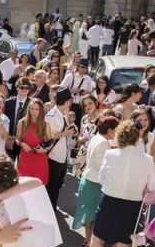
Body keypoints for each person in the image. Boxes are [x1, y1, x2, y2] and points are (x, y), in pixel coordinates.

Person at [80, 120, 155, 247]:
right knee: (124, 245)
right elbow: (152, 187)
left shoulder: (111, 154)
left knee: (97, 241)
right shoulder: (147, 160)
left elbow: (100, 179)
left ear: (120, 135)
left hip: (109, 202)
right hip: (131, 206)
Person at [72, 116, 119, 247]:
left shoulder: (95, 138)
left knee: (89, 215)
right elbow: (101, 165)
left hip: (88, 179)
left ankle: (88, 240)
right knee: (93, 216)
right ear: (110, 130)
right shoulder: (104, 143)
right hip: (95, 183)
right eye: (115, 130)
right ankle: (90, 243)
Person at [45, 87, 75, 216]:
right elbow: (48, 136)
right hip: (54, 156)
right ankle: (49, 211)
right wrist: (64, 133)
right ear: (67, 101)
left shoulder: (62, 113)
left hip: (62, 156)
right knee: (51, 186)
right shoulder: (52, 115)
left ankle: (53, 209)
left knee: (57, 185)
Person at [15, 98, 51, 184]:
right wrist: (22, 143)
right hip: (25, 160)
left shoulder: (45, 124)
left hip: (40, 161)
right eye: (32, 108)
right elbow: (17, 139)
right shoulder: (22, 122)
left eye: (37, 109)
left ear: (41, 110)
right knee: (23, 189)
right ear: (29, 109)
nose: (34, 112)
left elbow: (50, 143)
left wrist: (44, 150)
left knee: (38, 190)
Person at [72, 94, 100, 178]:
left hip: (95, 154)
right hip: (83, 153)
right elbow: (80, 136)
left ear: (95, 103)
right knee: (80, 179)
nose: (88, 106)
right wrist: (81, 139)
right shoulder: (84, 118)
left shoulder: (102, 118)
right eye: (85, 105)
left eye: (90, 103)